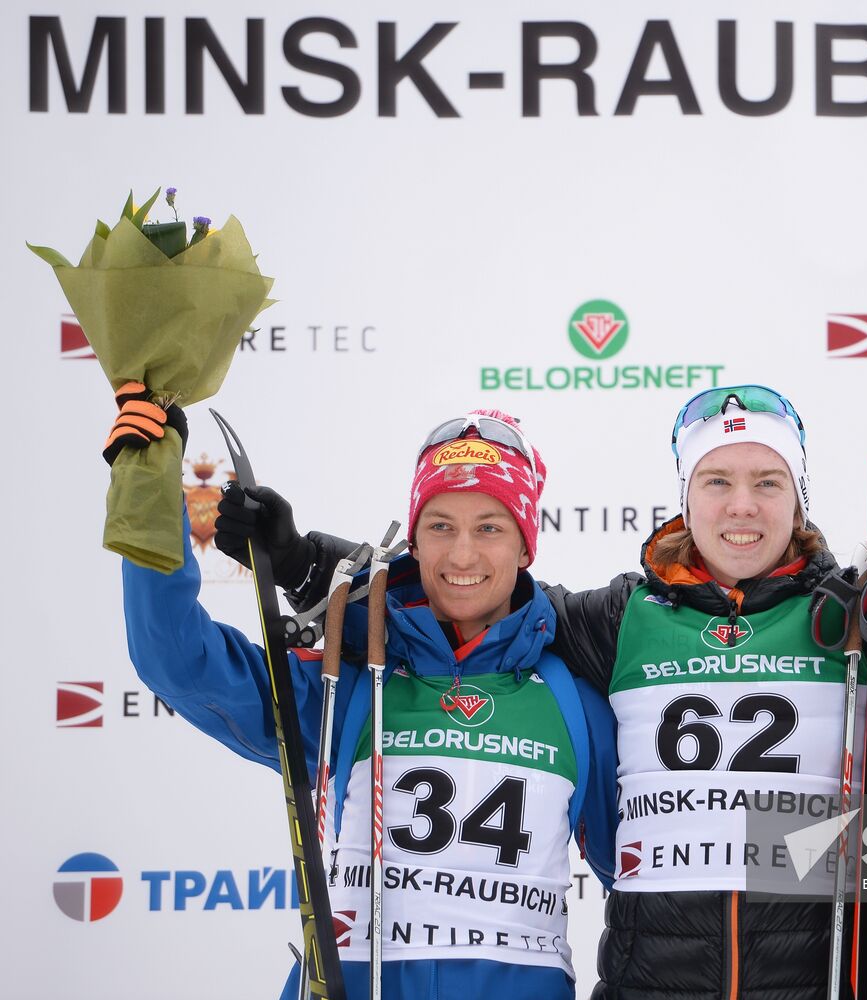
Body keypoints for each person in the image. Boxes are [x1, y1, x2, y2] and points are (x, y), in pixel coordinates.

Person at [217, 385, 862, 1000]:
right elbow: (464, 597)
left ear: (799, 500)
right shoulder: (625, 618)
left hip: (817, 981)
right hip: (651, 984)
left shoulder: (859, 619)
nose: (741, 505)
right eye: (716, 481)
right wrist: (302, 562)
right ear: (685, 501)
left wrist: (815, 851)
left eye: (768, 482)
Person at [113, 399, 618, 1000]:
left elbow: (654, 888)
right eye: (440, 526)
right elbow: (177, 658)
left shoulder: (573, 703)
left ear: (526, 546)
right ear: (414, 542)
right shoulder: (348, 685)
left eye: (489, 527)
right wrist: (148, 485)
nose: (462, 555)